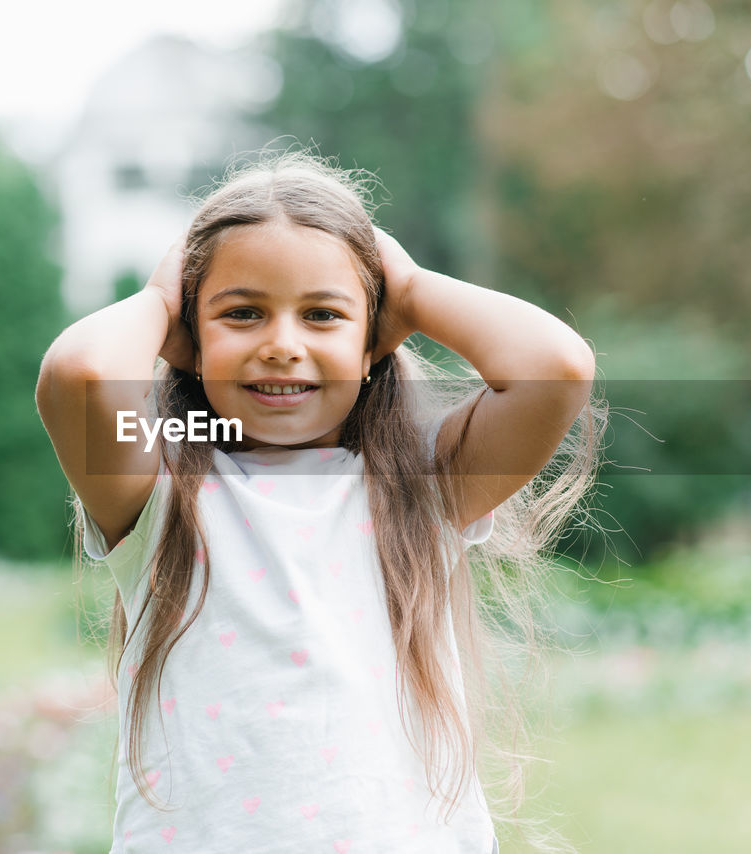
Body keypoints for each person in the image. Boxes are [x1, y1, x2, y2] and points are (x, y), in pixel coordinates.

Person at [36, 151, 604, 853]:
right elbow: (81, 373)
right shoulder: (160, 496)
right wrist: (159, 298)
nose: (282, 345)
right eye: (241, 313)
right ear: (192, 340)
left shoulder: (419, 489)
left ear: (374, 338)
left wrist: (414, 289)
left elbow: (556, 368)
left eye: (323, 315)